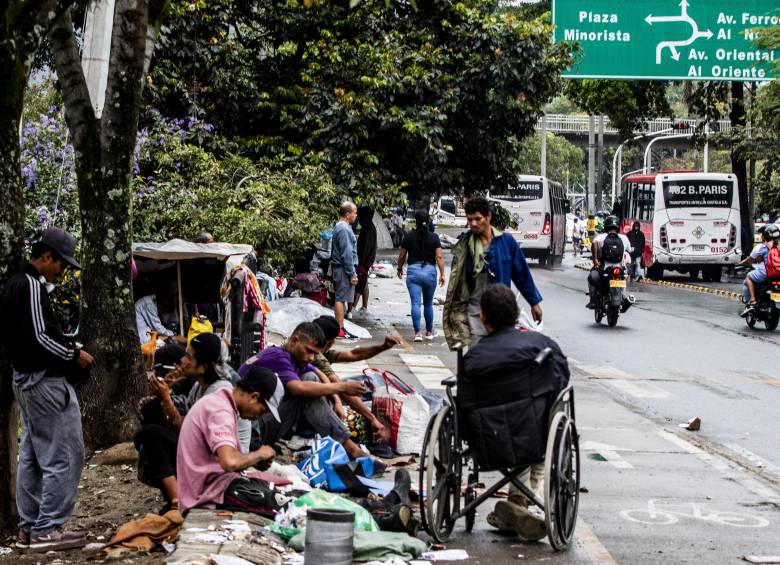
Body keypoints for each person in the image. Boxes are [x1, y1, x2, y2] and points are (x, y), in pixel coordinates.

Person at [0, 228, 95, 552]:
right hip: (43, 382)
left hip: (26, 380)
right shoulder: (29, 284)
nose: (62, 270)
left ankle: (29, 529)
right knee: (64, 455)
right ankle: (47, 529)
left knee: (32, 455)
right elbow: (39, 338)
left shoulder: (15, 284)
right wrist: (73, 354)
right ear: (46, 257)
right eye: (60, 263)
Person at [463, 285, 569, 540]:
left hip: (486, 441)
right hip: (535, 434)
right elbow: (560, 383)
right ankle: (525, 498)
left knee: (520, 420)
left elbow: (463, 402)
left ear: (483, 318)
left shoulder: (474, 358)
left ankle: (518, 500)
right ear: (517, 313)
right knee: (545, 413)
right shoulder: (542, 346)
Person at [134, 333, 252, 513]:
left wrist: (166, 398)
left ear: (204, 366)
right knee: (152, 411)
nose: (182, 360)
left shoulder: (218, 391)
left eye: (189, 356)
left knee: (150, 434)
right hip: (206, 452)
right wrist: (165, 392)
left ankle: (177, 502)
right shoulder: (199, 386)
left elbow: (188, 433)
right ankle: (177, 494)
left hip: (222, 465)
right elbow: (185, 426)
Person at [239, 322, 367, 459]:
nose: (311, 358)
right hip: (251, 429)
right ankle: (349, 447)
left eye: (315, 354)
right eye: (309, 351)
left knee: (311, 378)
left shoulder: (293, 357)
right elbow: (298, 388)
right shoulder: (277, 357)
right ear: (294, 341)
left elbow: (318, 373)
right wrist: (343, 387)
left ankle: (347, 445)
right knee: (306, 393)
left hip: (259, 422)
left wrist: (336, 401)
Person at [176, 365, 286, 514]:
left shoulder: (223, 403)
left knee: (277, 490)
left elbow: (230, 458)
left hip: (215, 487)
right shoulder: (220, 411)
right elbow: (230, 462)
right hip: (208, 495)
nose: (259, 417)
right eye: (262, 411)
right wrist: (259, 454)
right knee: (282, 507)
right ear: (254, 396)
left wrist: (254, 461)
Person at [443, 196, 543, 349]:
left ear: (488, 216)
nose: (473, 224)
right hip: (475, 313)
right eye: (470, 220)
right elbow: (457, 283)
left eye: (478, 219)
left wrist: (534, 302)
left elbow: (522, 274)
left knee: (502, 359)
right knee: (479, 360)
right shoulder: (464, 245)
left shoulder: (507, 242)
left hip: (501, 314)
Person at [311, 315, 398, 442]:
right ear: (331, 341)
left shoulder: (319, 350)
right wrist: (372, 418)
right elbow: (341, 388)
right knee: (359, 420)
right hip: (308, 406)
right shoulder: (316, 356)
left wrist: (382, 347)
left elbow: (353, 354)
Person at [397, 209, 446, 341]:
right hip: (430, 272)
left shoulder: (408, 236)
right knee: (428, 304)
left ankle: (417, 333)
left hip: (413, 272)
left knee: (415, 303)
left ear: (415, 221)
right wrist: (442, 274)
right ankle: (429, 332)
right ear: (429, 221)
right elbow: (439, 257)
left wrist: (399, 268)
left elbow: (402, 255)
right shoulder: (434, 237)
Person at [587, 215, 632, 309]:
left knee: (592, 277)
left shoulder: (602, 237)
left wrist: (595, 260)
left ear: (606, 226)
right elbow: (630, 250)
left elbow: (594, 243)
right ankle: (623, 297)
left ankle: (593, 300)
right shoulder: (624, 238)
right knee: (623, 278)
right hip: (620, 268)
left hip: (605, 267)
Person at [331, 201, 359, 338]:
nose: (355, 215)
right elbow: (347, 253)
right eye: (354, 212)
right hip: (343, 269)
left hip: (341, 268)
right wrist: (352, 273)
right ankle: (339, 329)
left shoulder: (340, 227)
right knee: (341, 298)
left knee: (341, 298)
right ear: (348, 214)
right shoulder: (344, 230)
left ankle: (340, 327)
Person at [739, 224, 778, 316]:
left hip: (766, 273)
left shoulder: (762, 247)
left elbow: (750, 260)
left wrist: (740, 263)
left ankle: (752, 301)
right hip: (778, 274)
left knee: (749, 277)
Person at [353, 206, 378, 315]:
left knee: (360, 283)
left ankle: (353, 307)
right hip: (366, 261)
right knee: (364, 282)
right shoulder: (370, 226)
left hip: (363, 261)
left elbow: (365, 247)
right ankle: (364, 307)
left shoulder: (367, 228)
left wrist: (361, 262)